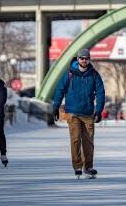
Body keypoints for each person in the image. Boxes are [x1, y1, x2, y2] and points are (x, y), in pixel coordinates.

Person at [52, 49, 105, 179]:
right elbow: (60, 90)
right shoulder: (69, 74)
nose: (84, 61)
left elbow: (100, 92)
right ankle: (77, 166)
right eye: (82, 58)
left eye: (86, 58)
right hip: (73, 112)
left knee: (88, 142)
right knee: (75, 139)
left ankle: (88, 167)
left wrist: (98, 111)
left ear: (89, 59)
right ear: (78, 59)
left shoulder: (94, 75)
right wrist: (55, 107)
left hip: (88, 113)